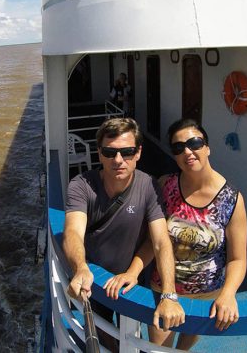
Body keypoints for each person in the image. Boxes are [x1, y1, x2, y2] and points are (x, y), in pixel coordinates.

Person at [104, 118, 247, 350]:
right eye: (178, 148)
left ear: (207, 147)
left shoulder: (231, 200)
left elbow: (238, 259)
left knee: (182, 348)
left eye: (194, 143)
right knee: (161, 349)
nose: (188, 152)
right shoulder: (166, 186)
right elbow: (156, 242)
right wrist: (133, 271)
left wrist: (229, 294)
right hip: (164, 289)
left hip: (208, 295)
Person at [63, 118, 185, 351]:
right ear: (99, 153)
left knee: (134, 330)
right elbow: (72, 232)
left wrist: (169, 294)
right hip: (95, 278)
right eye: (110, 152)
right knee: (104, 332)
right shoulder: (81, 185)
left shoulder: (149, 185)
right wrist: (80, 267)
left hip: (132, 281)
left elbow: (160, 241)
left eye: (127, 152)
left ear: (138, 153)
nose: (118, 160)